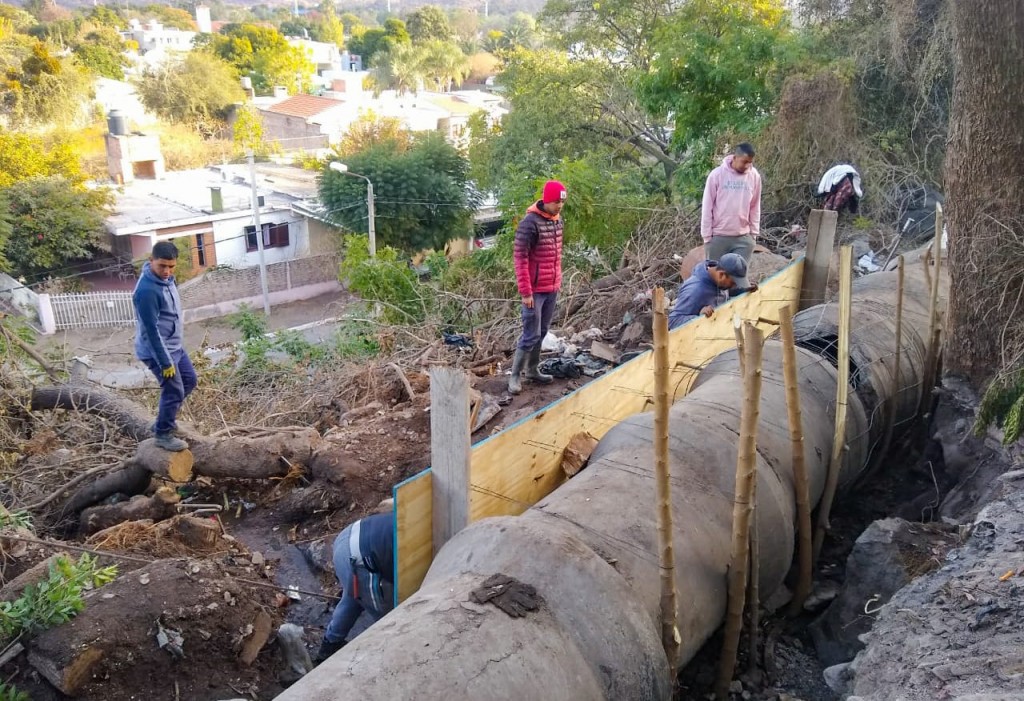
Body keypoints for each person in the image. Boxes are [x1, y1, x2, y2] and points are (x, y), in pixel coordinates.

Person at [133, 241, 196, 452]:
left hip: (174, 346)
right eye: (162, 266)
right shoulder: (147, 291)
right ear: (151, 261)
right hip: (158, 351)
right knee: (174, 389)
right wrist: (165, 361)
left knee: (189, 380)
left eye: (171, 266)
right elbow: (150, 331)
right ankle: (162, 434)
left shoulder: (167, 280)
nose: (167, 271)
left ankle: (162, 420)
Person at [509, 180, 566, 395]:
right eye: (555, 202)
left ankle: (532, 370)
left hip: (551, 287)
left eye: (561, 202)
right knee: (530, 334)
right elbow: (520, 258)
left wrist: (556, 282)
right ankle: (514, 376)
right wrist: (525, 292)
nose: (559, 206)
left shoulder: (557, 222)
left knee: (542, 332)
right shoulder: (529, 223)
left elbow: (555, 256)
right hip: (534, 290)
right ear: (546, 199)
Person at [317, 513, 395, 662]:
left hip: (348, 537)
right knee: (391, 617)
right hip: (361, 561)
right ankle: (388, 659)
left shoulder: (411, 516)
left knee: (354, 597)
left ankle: (330, 645)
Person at [701, 143, 762, 264]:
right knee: (715, 278)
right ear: (734, 158)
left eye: (750, 162)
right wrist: (707, 236)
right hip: (719, 236)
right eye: (744, 162)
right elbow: (707, 207)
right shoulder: (717, 175)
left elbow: (755, 205)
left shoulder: (754, 176)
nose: (747, 166)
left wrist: (753, 234)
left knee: (739, 280)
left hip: (743, 238)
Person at [668, 253, 752, 331]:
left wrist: (743, 290)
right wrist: (698, 317)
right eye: (733, 283)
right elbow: (672, 321)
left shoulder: (719, 279)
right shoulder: (695, 289)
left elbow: (726, 290)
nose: (734, 286)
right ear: (721, 275)